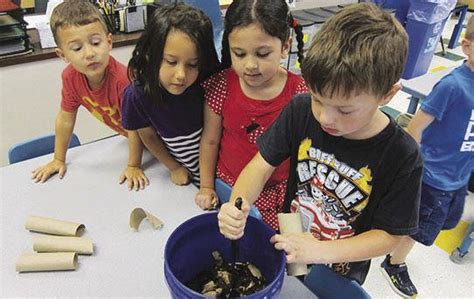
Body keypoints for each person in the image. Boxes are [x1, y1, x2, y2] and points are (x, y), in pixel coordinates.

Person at [217, 3, 422, 296]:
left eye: (345, 110)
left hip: (340, 260)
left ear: (387, 94)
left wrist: (319, 251)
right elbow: (260, 166)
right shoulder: (301, 109)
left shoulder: (402, 155)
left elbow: (390, 236)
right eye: (318, 99)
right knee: (290, 287)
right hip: (292, 234)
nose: (325, 118)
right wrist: (236, 206)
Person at [381, 15, 474, 297]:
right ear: (467, 46)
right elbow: (415, 128)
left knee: (443, 222)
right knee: (416, 230)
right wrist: (411, 170)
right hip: (434, 176)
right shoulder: (453, 86)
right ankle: (394, 263)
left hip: (459, 175)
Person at [195, 0, 307, 227]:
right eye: (239, 54)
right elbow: (210, 140)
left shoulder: (300, 94)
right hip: (229, 185)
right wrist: (206, 186)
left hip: (281, 193)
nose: (250, 65)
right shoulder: (222, 86)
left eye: (262, 54)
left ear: (286, 46)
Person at [32, 0, 148, 191]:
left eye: (96, 43)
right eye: (77, 48)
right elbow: (65, 118)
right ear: (62, 55)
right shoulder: (70, 77)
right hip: (137, 141)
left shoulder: (123, 81)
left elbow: (137, 128)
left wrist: (133, 165)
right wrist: (58, 159)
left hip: (160, 139)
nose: (89, 53)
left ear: (109, 42)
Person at [121, 3, 220, 186]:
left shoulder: (208, 83)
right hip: (187, 181)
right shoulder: (137, 95)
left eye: (192, 64)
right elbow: (148, 136)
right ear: (151, 54)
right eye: (171, 61)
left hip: (220, 176)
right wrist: (173, 167)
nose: (181, 75)